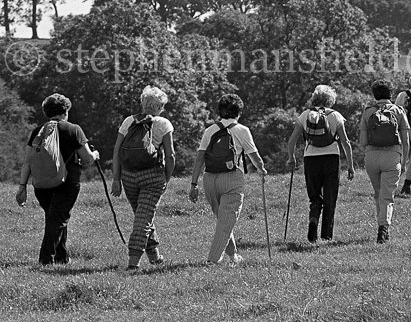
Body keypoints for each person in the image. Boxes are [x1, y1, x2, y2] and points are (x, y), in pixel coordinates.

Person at [15, 94, 100, 266]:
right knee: (57, 219)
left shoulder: (38, 132)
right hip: (67, 183)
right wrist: (95, 155)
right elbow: (87, 159)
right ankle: (45, 260)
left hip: (41, 184)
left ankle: (62, 257)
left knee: (56, 218)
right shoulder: (73, 129)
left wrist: (22, 186)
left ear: (47, 112)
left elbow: (28, 161)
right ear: (66, 111)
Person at [189, 94, 268, 265]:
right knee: (225, 223)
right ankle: (212, 261)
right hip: (231, 179)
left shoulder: (210, 131)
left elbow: (200, 159)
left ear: (220, 111)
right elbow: (254, 157)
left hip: (209, 180)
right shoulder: (242, 130)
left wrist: (193, 184)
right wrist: (261, 170)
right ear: (239, 112)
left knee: (224, 221)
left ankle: (233, 257)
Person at [110, 86, 175, 271]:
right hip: (152, 176)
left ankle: (154, 256)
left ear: (143, 103)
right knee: (143, 218)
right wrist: (166, 178)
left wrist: (116, 179)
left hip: (128, 176)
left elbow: (116, 151)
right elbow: (170, 155)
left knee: (143, 215)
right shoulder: (164, 124)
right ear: (160, 106)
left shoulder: (129, 121)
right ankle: (133, 262)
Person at [286, 85, 355, 243]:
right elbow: (346, 142)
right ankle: (326, 236)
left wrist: (291, 158)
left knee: (314, 197)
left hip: (311, 158)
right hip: (331, 158)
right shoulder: (335, 115)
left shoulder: (305, 115)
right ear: (330, 100)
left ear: (314, 98)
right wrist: (350, 166)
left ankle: (313, 220)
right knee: (330, 198)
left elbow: (291, 141)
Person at [359, 80, 410, 243]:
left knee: (378, 194)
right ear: (390, 93)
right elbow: (406, 140)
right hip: (392, 157)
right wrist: (404, 162)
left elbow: (363, 141)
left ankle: (381, 224)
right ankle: (383, 228)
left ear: (375, 94)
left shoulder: (368, 112)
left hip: (372, 157)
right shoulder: (398, 111)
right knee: (387, 196)